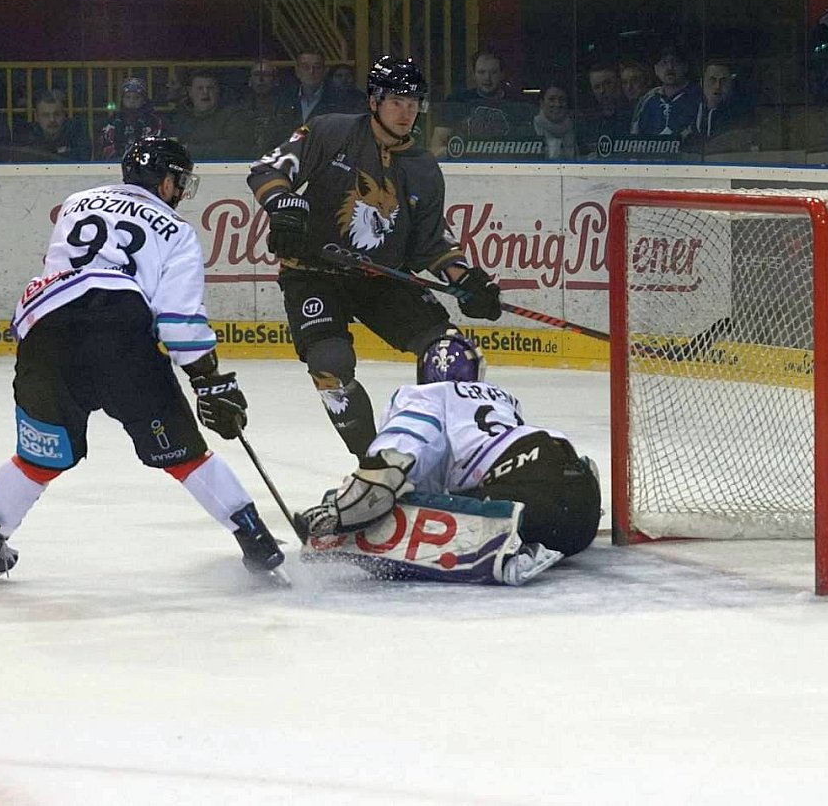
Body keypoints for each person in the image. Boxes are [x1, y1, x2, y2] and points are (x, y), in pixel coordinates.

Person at [0, 136, 286, 584]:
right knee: (186, 456)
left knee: (39, 458)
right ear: (166, 182)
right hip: (118, 331)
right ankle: (258, 544)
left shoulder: (76, 202)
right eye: (179, 181)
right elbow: (178, 320)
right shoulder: (177, 231)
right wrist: (207, 379)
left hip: (45, 330)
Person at [247, 55, 503, 458]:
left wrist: (465, 278)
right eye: (396, 101)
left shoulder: (423, 168)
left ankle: (449, 456)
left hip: (380, 277)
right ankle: (375, 465)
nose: (406, 112)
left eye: (413, 103)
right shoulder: (331, 131)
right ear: (374, 101)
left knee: (451, 352)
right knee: (330, 364)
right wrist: (284, 207)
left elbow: (430, 242)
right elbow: (267, 169)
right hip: (313, 273)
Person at [297, 333, 600, 586]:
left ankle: (506, 547)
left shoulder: (425, 396)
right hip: (580, 507)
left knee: (399, 514)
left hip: (524, 496)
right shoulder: (502, 399)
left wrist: (343, 512)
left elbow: (393, 461)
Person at [167, 70, 250, 159]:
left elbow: (233, 148)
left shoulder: (234, 116)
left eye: (210, 88)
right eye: (200, 88)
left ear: (218, 91)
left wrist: (187, 149)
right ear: (190, 92)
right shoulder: (176, 117)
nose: (205, 92)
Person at [12, 89, 89, 162]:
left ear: (64, 115)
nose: (52, 119)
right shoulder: (26, 134)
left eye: (57, 114)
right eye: (46, 115)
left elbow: (83, 158)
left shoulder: (76, 131)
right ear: (36, 117)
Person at [96, 77, 162, 161]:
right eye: (128, 97)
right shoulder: (113, 120)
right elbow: (103, 147)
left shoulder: (153, 121)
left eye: (137, 97)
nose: (132, 101)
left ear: (144, 100)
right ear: (122, 99)